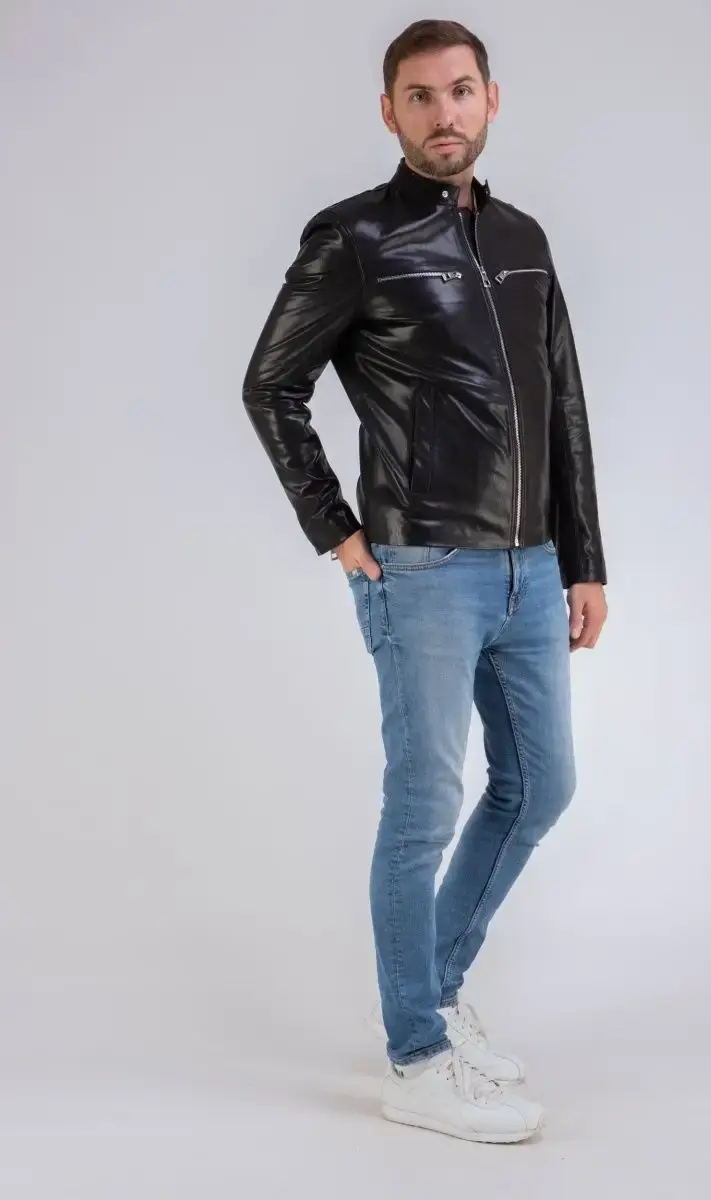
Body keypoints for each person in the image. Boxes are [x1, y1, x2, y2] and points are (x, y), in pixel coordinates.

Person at [242, 18, 608, 1142]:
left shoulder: (526, 238)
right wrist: (337, 530)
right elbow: (271, 386)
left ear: (491, 98)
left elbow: (565, 402)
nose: (443, 113)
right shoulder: (353, 237)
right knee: (424, 806)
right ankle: (414, 1057)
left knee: (540, 785)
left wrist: (584, 559)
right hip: (425, 567)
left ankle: (430, 992)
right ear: (390, 112)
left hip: (532, 567)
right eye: (419, 95)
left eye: (459, 91)